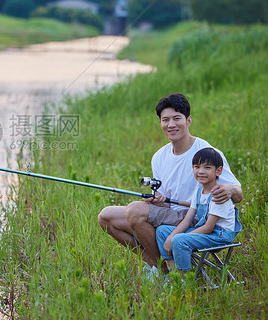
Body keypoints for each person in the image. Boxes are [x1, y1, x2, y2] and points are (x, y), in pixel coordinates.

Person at [97, 93, 243, 270]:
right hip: (173, 216)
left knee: (135, 210)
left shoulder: (207, 152)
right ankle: (157, 266)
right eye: (165, 120)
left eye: (177, 118)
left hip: (197, 218)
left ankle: (164, 270)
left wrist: (229, 190)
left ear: (188, 120)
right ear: (160, 123)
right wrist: (158, 200)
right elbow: (165, 203)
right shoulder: (159, 157)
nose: (171, 124)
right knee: (105, 217)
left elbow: (238, 194)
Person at [155, 147, 242, 272]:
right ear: (193, 169)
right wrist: (171, 236)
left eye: (207, 167)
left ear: (218, 171)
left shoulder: (218, 195)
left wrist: (176, 238)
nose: (201, 171)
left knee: (178, 240)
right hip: (207, 233)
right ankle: (174, 273)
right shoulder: (198, 192)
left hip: (220, 235)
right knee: (162, 231)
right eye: (197, 167)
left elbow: (208, 228)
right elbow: (186, 221)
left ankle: (185, 278)